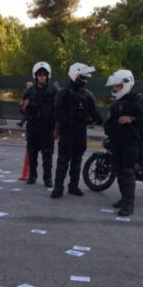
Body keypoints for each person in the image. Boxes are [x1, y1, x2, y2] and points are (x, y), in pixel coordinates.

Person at [103, 69, 143, 216]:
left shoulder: (139, 99)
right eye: (114, 86)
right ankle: (124, 199)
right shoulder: (117, 102)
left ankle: (129, 205)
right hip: (117, 141)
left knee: (127, 171)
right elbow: (111, 122)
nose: (115, 89)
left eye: (117, 86)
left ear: (126, 84)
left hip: (132, 142)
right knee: (119, 171)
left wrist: (131, 119)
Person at [51, 63, 103, 199]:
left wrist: (99, 119)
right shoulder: (64, 93)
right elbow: (57, 111)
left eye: (86, 77)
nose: (85, 79)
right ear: (75, 75)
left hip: (80, 131)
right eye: (82, 76)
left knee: (77, 160)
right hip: (67, 131)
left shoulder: (87, 94)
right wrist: (67, 121)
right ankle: (58, 188)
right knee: (63, 161)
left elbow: (93, 111)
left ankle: (73, 186)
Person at [20, 61, 59, 187]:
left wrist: (57, 128)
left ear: (48, 75)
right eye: (39, 74)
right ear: (35, 75)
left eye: (44, 74)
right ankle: (32, 175)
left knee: (47, 156)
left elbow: (59, 110)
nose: (42, 76)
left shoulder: (54, 91)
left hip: (48, 128)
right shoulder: (29, 91)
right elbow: (22, 109)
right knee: (32, 154)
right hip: (33, 127)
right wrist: (23, 106)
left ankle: (48, 178)